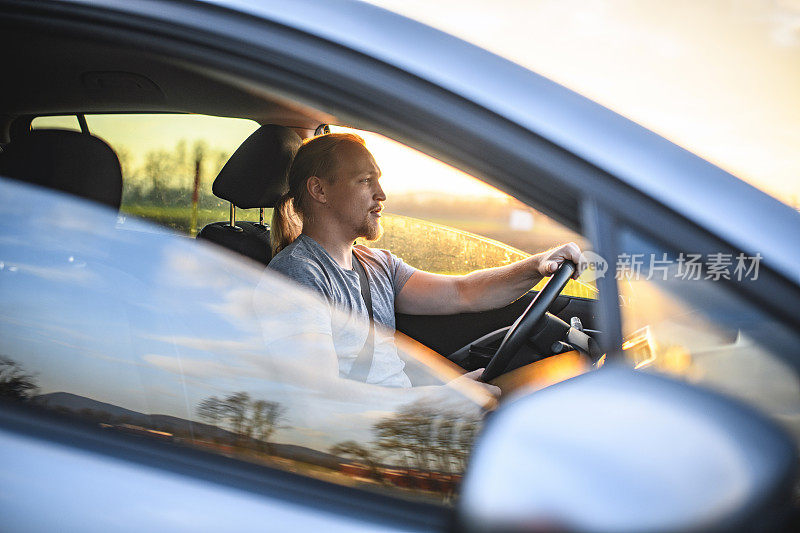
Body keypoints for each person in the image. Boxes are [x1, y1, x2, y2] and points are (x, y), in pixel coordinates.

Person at [267, 133, 582, 399]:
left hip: (408, 426)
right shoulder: (297, 276)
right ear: (319, 190)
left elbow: (465, 292)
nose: (382, 194)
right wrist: (437, 399)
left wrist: (537, 264)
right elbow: (317, 398)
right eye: (365, 181)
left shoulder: (378, 265)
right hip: (365, 445)